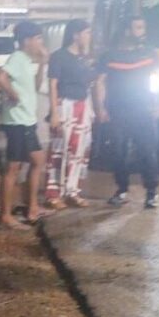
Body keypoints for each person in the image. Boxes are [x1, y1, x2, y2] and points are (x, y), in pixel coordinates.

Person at [96, 16, 159, 209]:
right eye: (137, 27)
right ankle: (122, 189)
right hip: (118, 111)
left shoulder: (150, 53)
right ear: (127, 31)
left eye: (143, 27)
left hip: (144, 110)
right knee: (118, 152)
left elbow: (157, 79)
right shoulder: (109, 55)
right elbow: (100, 82)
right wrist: (100, 107)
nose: (141, 31)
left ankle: (151, 192)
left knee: (147, 152)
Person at [0, 21, 49, 229]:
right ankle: (6, 215)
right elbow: (0, 77)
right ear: (27, 41)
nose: (41, 43)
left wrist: (43, 63)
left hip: (26, 120)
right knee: (13, 168)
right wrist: (12, 94)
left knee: (37, 160)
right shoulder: (17, 58)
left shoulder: (26, 60)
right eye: (39, 39)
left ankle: (32, 207)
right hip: (18, 121)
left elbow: (34, 86)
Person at [44, 19, 98, 209]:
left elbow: (90, 82)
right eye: (87, 32)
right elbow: (53, 85)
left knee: (78, 150)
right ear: (76, 35)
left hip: (82, 106)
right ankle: (53, 193)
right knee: (60, 150)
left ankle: (72, 190)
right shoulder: (59, 56)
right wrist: (54, 113)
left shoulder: (84, 58)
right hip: (65, 106)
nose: (89, 36)